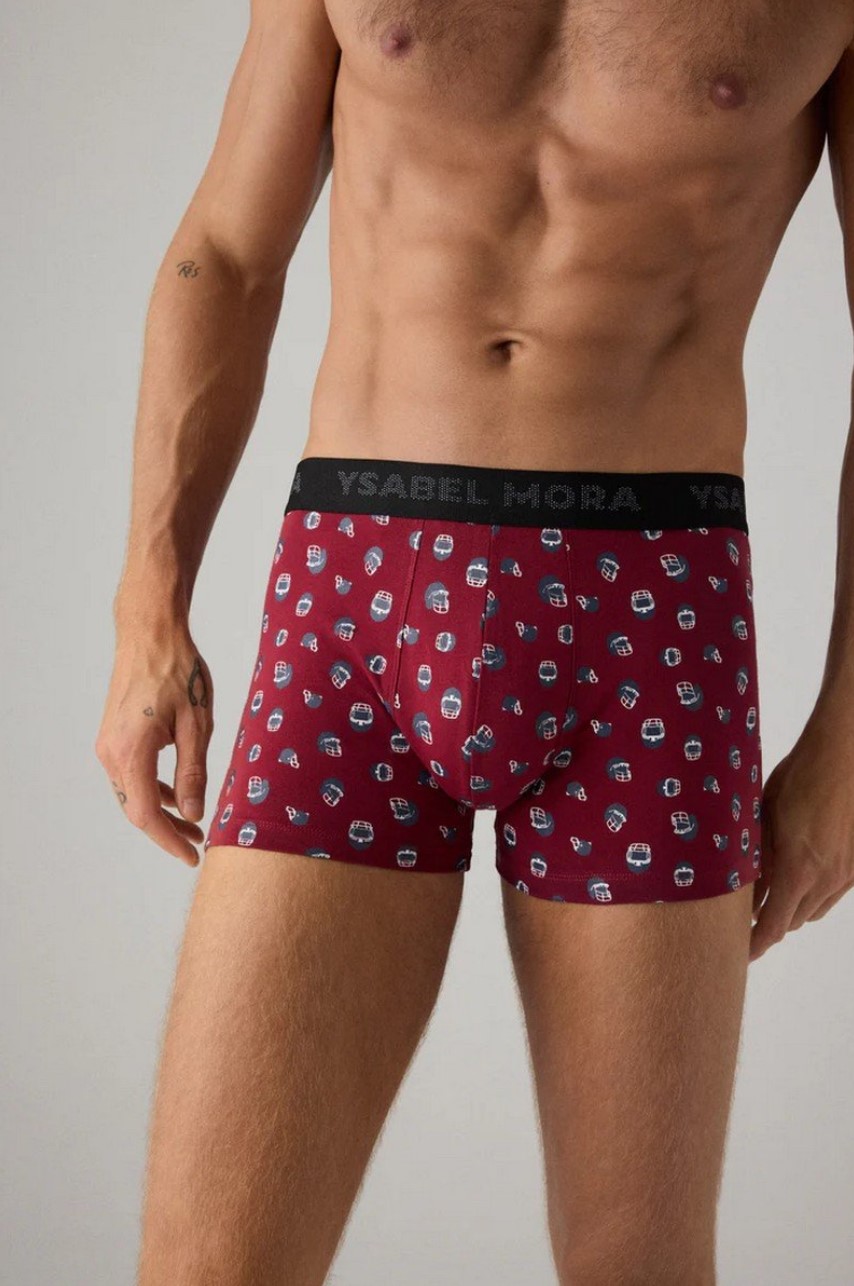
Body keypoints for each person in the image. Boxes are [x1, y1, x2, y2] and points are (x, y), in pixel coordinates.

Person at [95, 2, 854, 1282]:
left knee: (636, 1266)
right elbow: (224, 253)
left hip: (652, 625)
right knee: (209, 1262)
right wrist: (146, 607)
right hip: (351, 606)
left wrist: (846, 731)